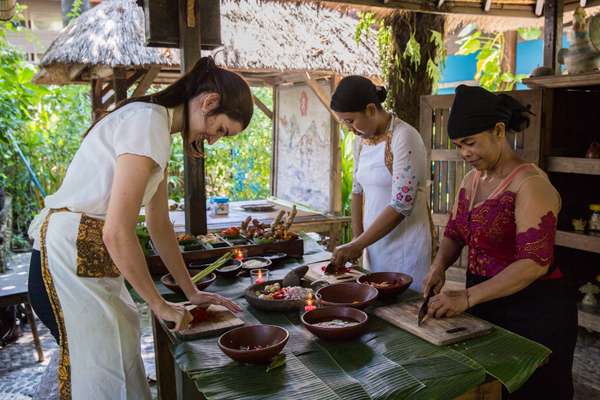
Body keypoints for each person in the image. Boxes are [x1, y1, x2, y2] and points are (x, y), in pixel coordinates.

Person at [27, 56, 250, 400]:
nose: (215, 139)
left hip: (89, 256)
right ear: (209, 102)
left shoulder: (156, 128)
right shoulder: (145, 122)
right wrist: (158, 303)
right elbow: (116, 231)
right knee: (99, 371)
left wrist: (191, 292)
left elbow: (159, 224)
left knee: (123, 349)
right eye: (221, 129)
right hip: (66, 259)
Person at [422, 85, 577, 399]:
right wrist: (438, 268)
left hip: (534, 311)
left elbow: (534, 263)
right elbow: (454, 233)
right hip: (486, 304)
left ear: (498, 130)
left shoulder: (530, 184)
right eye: (458, 146)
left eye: (470, 143)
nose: (465, 153)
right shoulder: (471, 180)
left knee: (530, 391)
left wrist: (466, 297)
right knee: (487, 389)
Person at [329, 76, 431, 290]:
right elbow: (357, 191)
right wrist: (358, 242)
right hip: (373, 247)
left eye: (350, 120)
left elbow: (401, 204)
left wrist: (358, 243)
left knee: (403, 309)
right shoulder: (360, 141)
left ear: (371, 109)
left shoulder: (405, 137)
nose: (349, 128)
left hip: (406, 248)